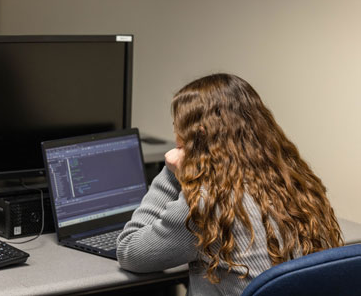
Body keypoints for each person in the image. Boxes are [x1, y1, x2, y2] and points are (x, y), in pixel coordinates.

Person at [116, 73, 343, 295]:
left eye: (178, 127)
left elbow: (130, 252)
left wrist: (173, 173)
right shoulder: (294, 182)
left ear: (199, 136)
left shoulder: (209, 200)